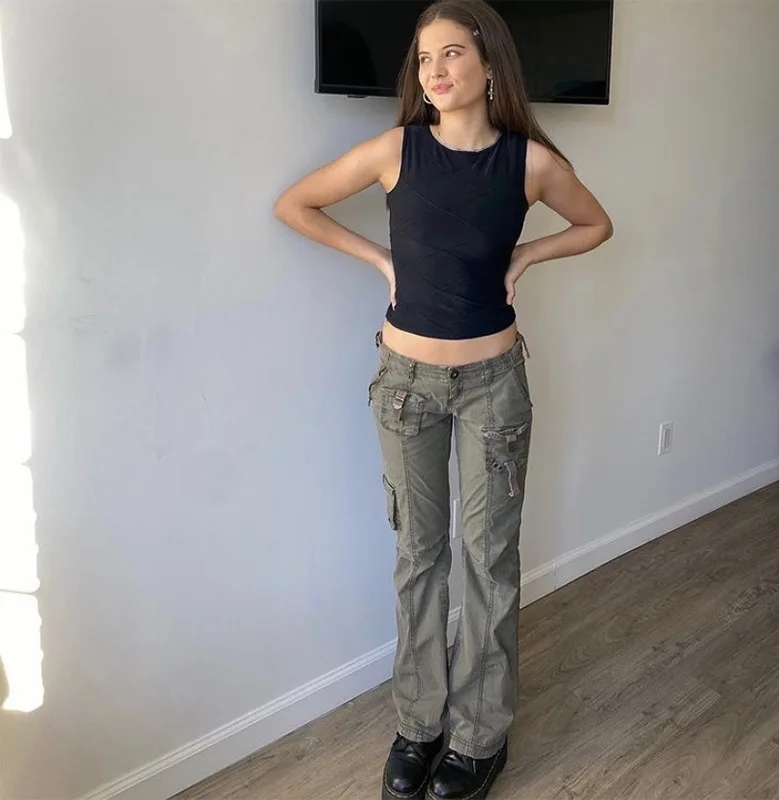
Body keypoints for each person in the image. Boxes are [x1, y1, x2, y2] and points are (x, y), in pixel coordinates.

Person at [274, 1, 612, 797]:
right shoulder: (397, 149)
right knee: (418, 556)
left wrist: (528, 254)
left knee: (488, 561)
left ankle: (480, 737)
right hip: (405, 388)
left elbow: (596, 224)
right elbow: (295, 205)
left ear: (490, 64)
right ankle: (419, 724)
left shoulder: (530, 163)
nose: (434, 70)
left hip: (494, 387)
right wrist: (379, 259)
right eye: (424, 58)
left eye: (452, 53)